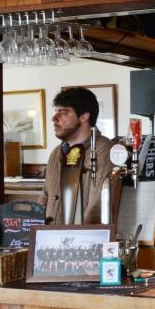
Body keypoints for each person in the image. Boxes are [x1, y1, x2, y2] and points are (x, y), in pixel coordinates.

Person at [38, 87, 120, 225]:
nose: (54, 118)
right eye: (55, 112)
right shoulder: (56, 152)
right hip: (51, 240)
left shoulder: (106, 151)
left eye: (62, 113)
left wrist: (74, 238)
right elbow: (45, 196)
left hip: (85, 242)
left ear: (84, 117)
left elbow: (97, 206)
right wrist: (35, 230)